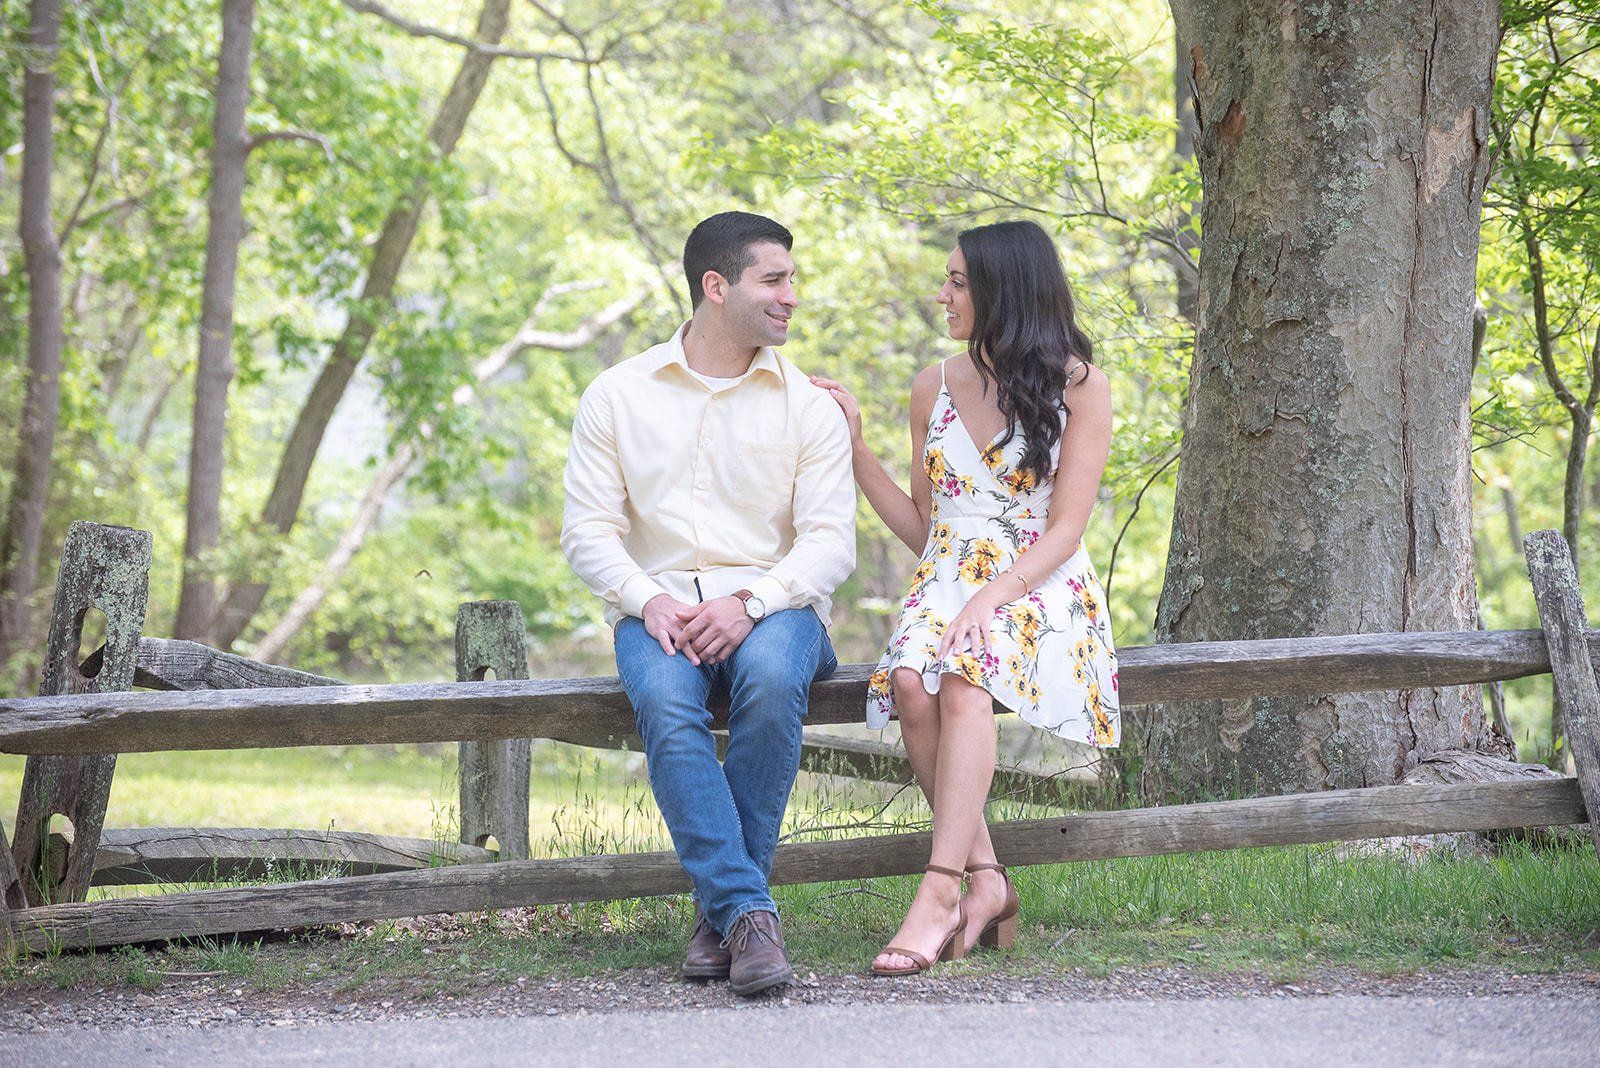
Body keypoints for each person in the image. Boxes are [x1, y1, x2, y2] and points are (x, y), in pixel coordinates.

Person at [810, 219, 1118, 976]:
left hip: (1041, 582)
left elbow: (1068, 527)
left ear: (1003, 290)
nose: (942, 295)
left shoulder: (1080, 385)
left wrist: (990, 601)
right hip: (947, 577)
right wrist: (857, 449)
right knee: (911, 683)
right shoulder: (933, 386)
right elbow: (926, 528)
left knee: (964, 677)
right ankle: (988, 880)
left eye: (958, 282)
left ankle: (941, 889)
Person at [561, 211, 855, 996]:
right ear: (716, 286)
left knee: (771, 678)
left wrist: (750, 603)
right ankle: (746, 915)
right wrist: (647, 599)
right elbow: (587, 531)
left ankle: (724, 912)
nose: (792, 296)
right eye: (774, 280)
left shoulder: (809, 405)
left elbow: (831, 544)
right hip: (658, 609)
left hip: (779, 609)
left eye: (792, 280)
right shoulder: (618, 395)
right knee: (664, 698)